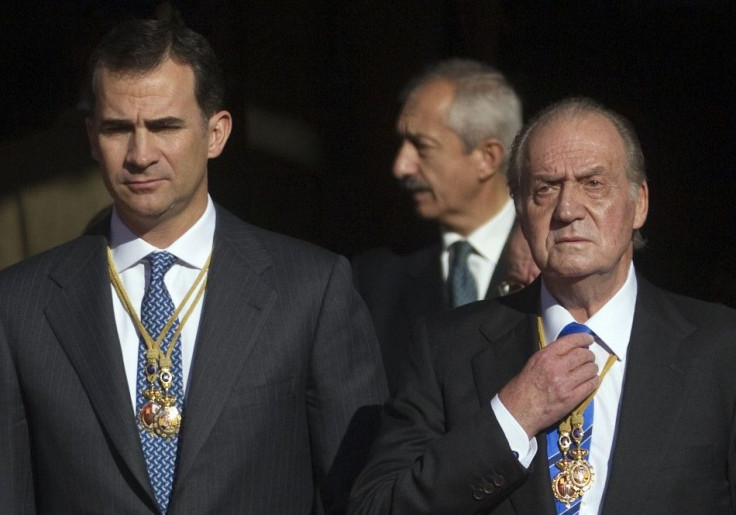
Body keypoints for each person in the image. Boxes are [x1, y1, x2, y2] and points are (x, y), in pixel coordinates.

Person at [0, 19, 387, 514]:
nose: (141, 155)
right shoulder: (20, 306)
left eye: (164, 127)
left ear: (216, 133)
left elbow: (361, 496)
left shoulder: (311, 289)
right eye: (119, 129)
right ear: (92, 139)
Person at [348, 97, 736, 514]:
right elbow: (377, 507)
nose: (567, 210)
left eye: (593, 184)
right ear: (520, 208)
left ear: (639, 203)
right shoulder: (446, 349)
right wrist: (511, 418)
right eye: (545, 188)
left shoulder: (721, 349)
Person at [352, 59, 523, 393]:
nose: (401, 166)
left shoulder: (554, 262)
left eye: (422, 147)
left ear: (487, 157)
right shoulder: (377, 275)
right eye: (403, 144)